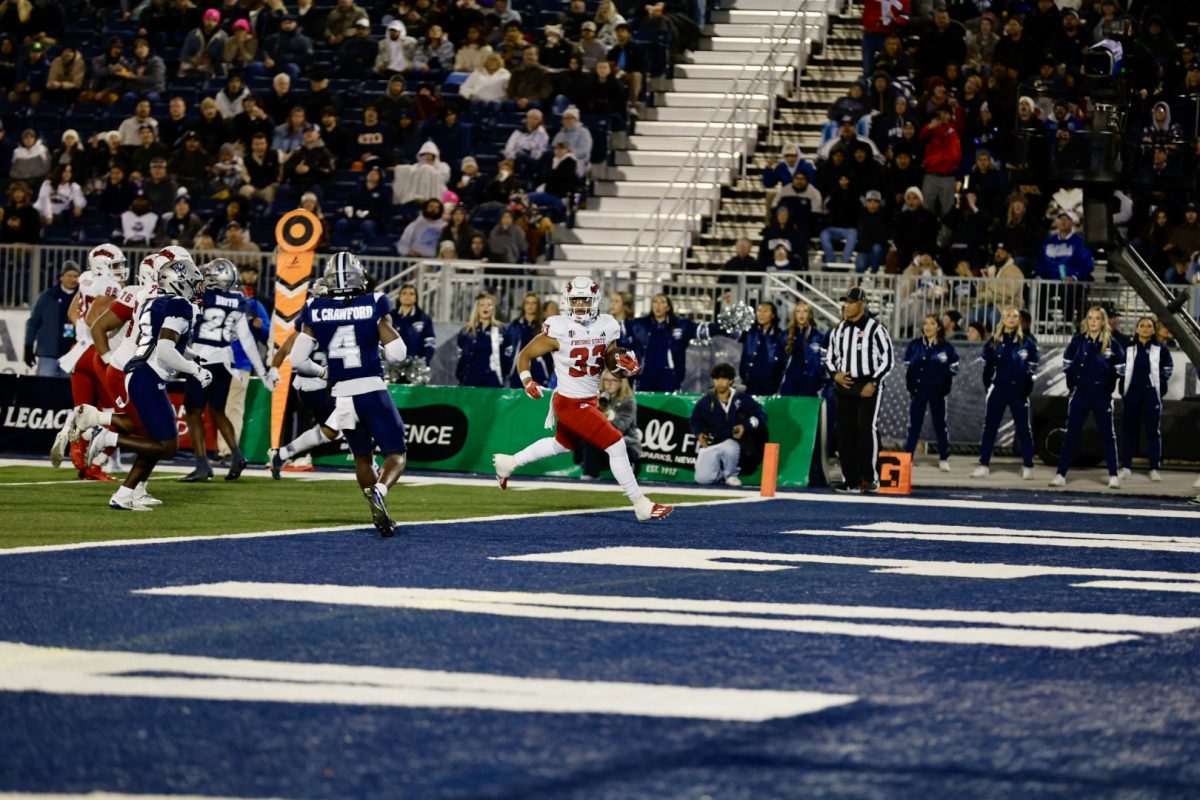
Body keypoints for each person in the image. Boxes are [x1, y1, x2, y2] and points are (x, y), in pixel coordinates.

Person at [492, 276, 672, 521]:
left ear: (595, 300)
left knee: (562, 445)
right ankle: (641, 504)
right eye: (575, 300)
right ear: (567, 301)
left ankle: (509, 462)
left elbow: (610, 360)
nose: (579, 305)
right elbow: (524, 355)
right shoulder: (557, 327)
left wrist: (623, 366)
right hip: (569, 402)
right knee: (616, 444)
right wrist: (527, 380)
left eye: (584, 300)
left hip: (588, 398)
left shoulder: (607, 325)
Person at [70, 259, 208, 511]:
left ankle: (124, 494)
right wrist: (196, 370)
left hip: (140, 371)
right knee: (167, 447)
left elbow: (164, 342)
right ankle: (105, 437)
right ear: (179, 283)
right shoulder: (179, 304)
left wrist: (192, 357)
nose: (197, 287)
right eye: (192, 282)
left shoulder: (154, 300)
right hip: (147, 376)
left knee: (156, 441)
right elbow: (166, 349)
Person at [290, 252, 409, 537]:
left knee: (362, 459)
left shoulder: (314, 307)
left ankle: (376, 511)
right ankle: (380, 491)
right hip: (370, 389)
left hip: (341, 395)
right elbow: (398, 353)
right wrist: (377, 349)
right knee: (396, 455)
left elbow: (297, 360)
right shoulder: (375, 303)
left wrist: (323, 373)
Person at [176, 258, 274, 482]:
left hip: (202, 358)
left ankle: (202, 465)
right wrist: (262, 369)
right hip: (224, 362)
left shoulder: (204, 297)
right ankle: (236, 455)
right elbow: (247, 340)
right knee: (218, 410)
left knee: (193, 412)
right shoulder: (239, 299)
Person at [57, 245, 128, 480]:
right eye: (116, 265)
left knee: (82, 409)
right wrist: (110, 325)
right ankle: (96, 461)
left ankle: (73, 444)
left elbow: (73, 313)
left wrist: (83, 332)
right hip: (98, 352)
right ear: (103, 265)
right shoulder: (111, 286)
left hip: (79, 350)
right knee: (115, 412)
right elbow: (91, 319)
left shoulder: (86, 278)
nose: (120, 269)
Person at [268, 278, 342, 478]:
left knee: (334, 429)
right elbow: (290, 348)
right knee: (342, 424)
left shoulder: (313, 317)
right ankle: (373, 468)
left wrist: (274, 366)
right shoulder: (316, 320)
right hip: (316, 383)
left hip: (318, 383)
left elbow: (286, 346)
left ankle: (282, 454)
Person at [824, 287, 892, 493]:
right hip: (845, 386)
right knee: (844, 434)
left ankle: (868, 478)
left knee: (865, 431)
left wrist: (873, 382)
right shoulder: (838, 330)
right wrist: (834, 374)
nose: (847, 306)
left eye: (852, 302)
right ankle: (851, 480)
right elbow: (829, 357)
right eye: (845, 302)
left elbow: (888, 359)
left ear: (862, 305)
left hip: (867, 386)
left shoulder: (875, 328)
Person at [1052, 306, 1126, 489]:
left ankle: (1113, 475)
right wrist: (1073, 387)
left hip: (1102, 395)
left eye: (1097, 318)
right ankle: (1060, 474)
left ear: (1103, 321)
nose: (1093, 322)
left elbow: (1121, 370)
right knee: (1071, 434)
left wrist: (1107, 385)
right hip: (1081, 395)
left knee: (1108, 435)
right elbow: (1068, 365)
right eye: (1090, 318)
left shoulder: (1113, 343)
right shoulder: (1077, 341)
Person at [973, 306, 1039, 480]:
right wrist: (990, 387)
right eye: (1008, 316)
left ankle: (1028, 465)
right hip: (999, 389)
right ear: (1002, 319)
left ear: (1018, 320)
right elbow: (987, 369)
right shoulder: (993, 342)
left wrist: (1026, 388)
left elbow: (1032, 369)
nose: (1011, 319)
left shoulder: (1028, 342)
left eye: (1015, 316)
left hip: (1018, 391)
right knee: (990, 428)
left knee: (1024, 428)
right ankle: (984, 465)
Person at [690, 362, 767, 487]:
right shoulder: (705, 401)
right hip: (712, 442)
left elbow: (761, 416)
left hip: (734, 441)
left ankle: (731, 475)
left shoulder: (742, 399)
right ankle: (719, 475)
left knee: (730, 447)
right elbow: (694, 420)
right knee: (702, 479)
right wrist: (699, 433)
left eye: (724, 379)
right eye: (716, 379)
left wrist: (745, 426)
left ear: (730, 380)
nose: (719, 382)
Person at [1119, 316, 1173, 483]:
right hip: (1132, 393)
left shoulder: (1160, 348)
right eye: (1142, 326)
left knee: (1153, 432)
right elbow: (1119, 368)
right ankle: (1126, 466)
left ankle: (1154, 467)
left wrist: (1158, 384)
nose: (1145, 329)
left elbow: (1168, 368)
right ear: (1136, 329)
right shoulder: (1128, 348)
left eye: (1149, 326)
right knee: (1129, 430)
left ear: (1153, 329)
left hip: (1151, 395)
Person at [627, 293, 716, 393]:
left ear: (668, 307)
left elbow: (702, 329)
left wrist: (722, 328)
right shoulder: (639, 324)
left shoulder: (681, 325)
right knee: (644, 406)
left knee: (667, 406)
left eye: (662, 302)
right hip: (645, 375)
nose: (658, 305)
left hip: (668, 376)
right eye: (655, 302)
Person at [904, 315, 959, 471]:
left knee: (940, 424)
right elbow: (908, 368)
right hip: (919, 391)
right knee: (914, 425)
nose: (928, 326)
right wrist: (912, 387)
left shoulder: (946, 347)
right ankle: (908, 457)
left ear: (939, 327)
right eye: (925, 323)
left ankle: (944, 457)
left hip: (937, 392)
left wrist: (943, 383)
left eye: (932, 323)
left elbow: (954, 368)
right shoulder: (914, 345)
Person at [580, 370, 640, 480]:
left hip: (625, 443)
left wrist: (604, 414)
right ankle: (590, 475)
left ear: (622, 382)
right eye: (606, 380)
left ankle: (628, 469)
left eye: (614, 380)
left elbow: (620, 428)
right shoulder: (595, 398)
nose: (609, 383)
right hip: (603, 446)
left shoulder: (628, 401)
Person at [25, 261, 80, 378]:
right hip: (48, 355)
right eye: (69, 275)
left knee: (67, 393)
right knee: (44, 390)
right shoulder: (47, 297)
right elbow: (33, 322)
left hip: (72, 356)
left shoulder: (82, 298)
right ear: (61, 277)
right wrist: (28, 346)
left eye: (76, 276)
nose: (73, 279)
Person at [456, 293, 505, 387]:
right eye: (482, 305)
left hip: (492, 380)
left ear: (493, 308)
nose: (485, 307)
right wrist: (462, 376)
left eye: (489, 305)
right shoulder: (466, 331)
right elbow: (461, 357)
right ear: (477, 308)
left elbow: (506, 358)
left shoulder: (502, 331)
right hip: (470, 378)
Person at [503, 291, 552, 386]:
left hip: (539, 371)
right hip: (518, 370)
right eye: (527, 303)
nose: (530, 306)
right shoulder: (515, 324)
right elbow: (508, 347)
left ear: (538, 306)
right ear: (523, 305)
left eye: (534, 303)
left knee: (538, 399)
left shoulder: (545, 325)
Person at [738, 302, 786, 396]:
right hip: (749, 381)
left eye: (765, 311)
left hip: (770, 383)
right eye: (759, 311)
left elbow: (782, 361)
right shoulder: (749, 332)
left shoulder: (780, 335)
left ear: (773, 315)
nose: (761, 314)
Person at [779, 301, 826, 397]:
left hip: (810, 385)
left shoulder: (818, 336)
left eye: (805, 311)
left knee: (807, 412)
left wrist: (819, 380)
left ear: (810, 315)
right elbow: (779, 362)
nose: (801, 314)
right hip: (790, 384)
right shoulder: (785, 335)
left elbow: (823, 361)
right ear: (794, 315)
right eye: (798, 311)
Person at [390, 283, 437, 368]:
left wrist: (423, 361)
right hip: (393, 367)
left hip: (416, 368)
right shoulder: (390, 318)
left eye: (411, 294)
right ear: (399, 297)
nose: (407, 296)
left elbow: (430, 343)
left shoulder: (424, 319)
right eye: (404, 293)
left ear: (416, 298)